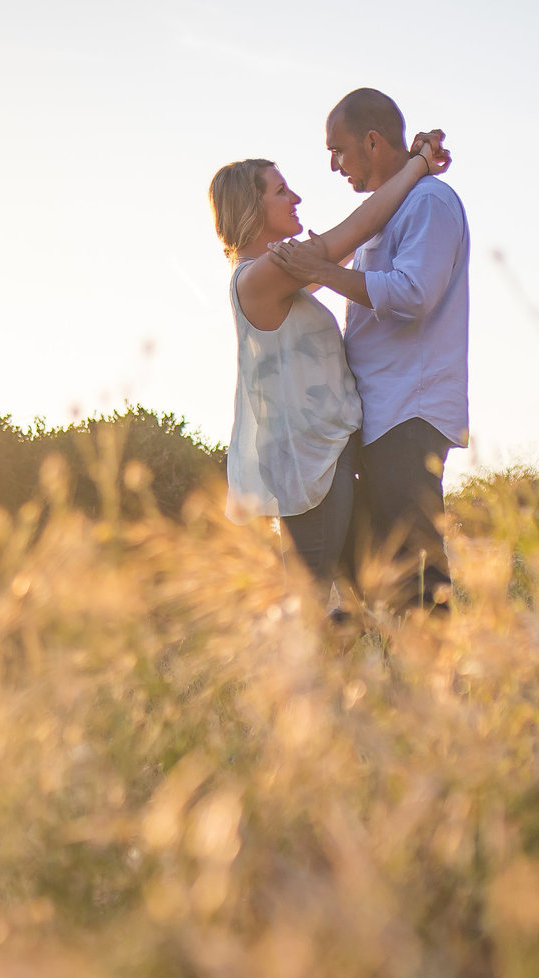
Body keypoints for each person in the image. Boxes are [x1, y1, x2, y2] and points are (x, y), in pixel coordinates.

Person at [207, 131, 448, 616]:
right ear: (250, 209)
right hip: (309, 470)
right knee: (312, 605)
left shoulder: (283, 273)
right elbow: (360, 227)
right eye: (280, 191)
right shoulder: (259, 277)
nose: (296, 198)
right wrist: (417, 164)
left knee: (365, 599)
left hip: (328, 459)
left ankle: (386, 681)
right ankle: (304, 688)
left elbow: (347, 250)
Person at [270, 88, 470, 613]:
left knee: (417, 573)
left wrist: (325, 272)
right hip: (381, 417)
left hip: (410, 411)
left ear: (373, 142)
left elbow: (413, 294)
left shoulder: (429, 203)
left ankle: (443, 684)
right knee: (387, 572)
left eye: (338, 150)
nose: (335, 166)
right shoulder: (395, 208)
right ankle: (406, 678)